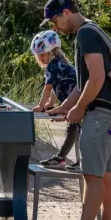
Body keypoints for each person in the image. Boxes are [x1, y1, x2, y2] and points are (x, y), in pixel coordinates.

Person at [42, 0, 111, 220]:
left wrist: (80, 108)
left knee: (92, 176)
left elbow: (96, 79)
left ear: (66, 12)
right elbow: (84, 82)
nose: (54, 27)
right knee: (108, 174)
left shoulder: (85, 35)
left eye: (54, 20)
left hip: (99, 116)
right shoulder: (93, 30)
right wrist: (66, 107)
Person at [29, 30, 81, 171]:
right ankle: (66, 158)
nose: (41, 57)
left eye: (43, 54)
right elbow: (57, 87)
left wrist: (40, 105)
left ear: (53, 51)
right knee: (75, 129)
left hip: (77, 102)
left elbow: (48, 87)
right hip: (76, 101)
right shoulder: (60, 63)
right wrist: (51, 104)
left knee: (77, 129)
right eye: (38, 54)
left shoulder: (53, 66)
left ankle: (65, 159)